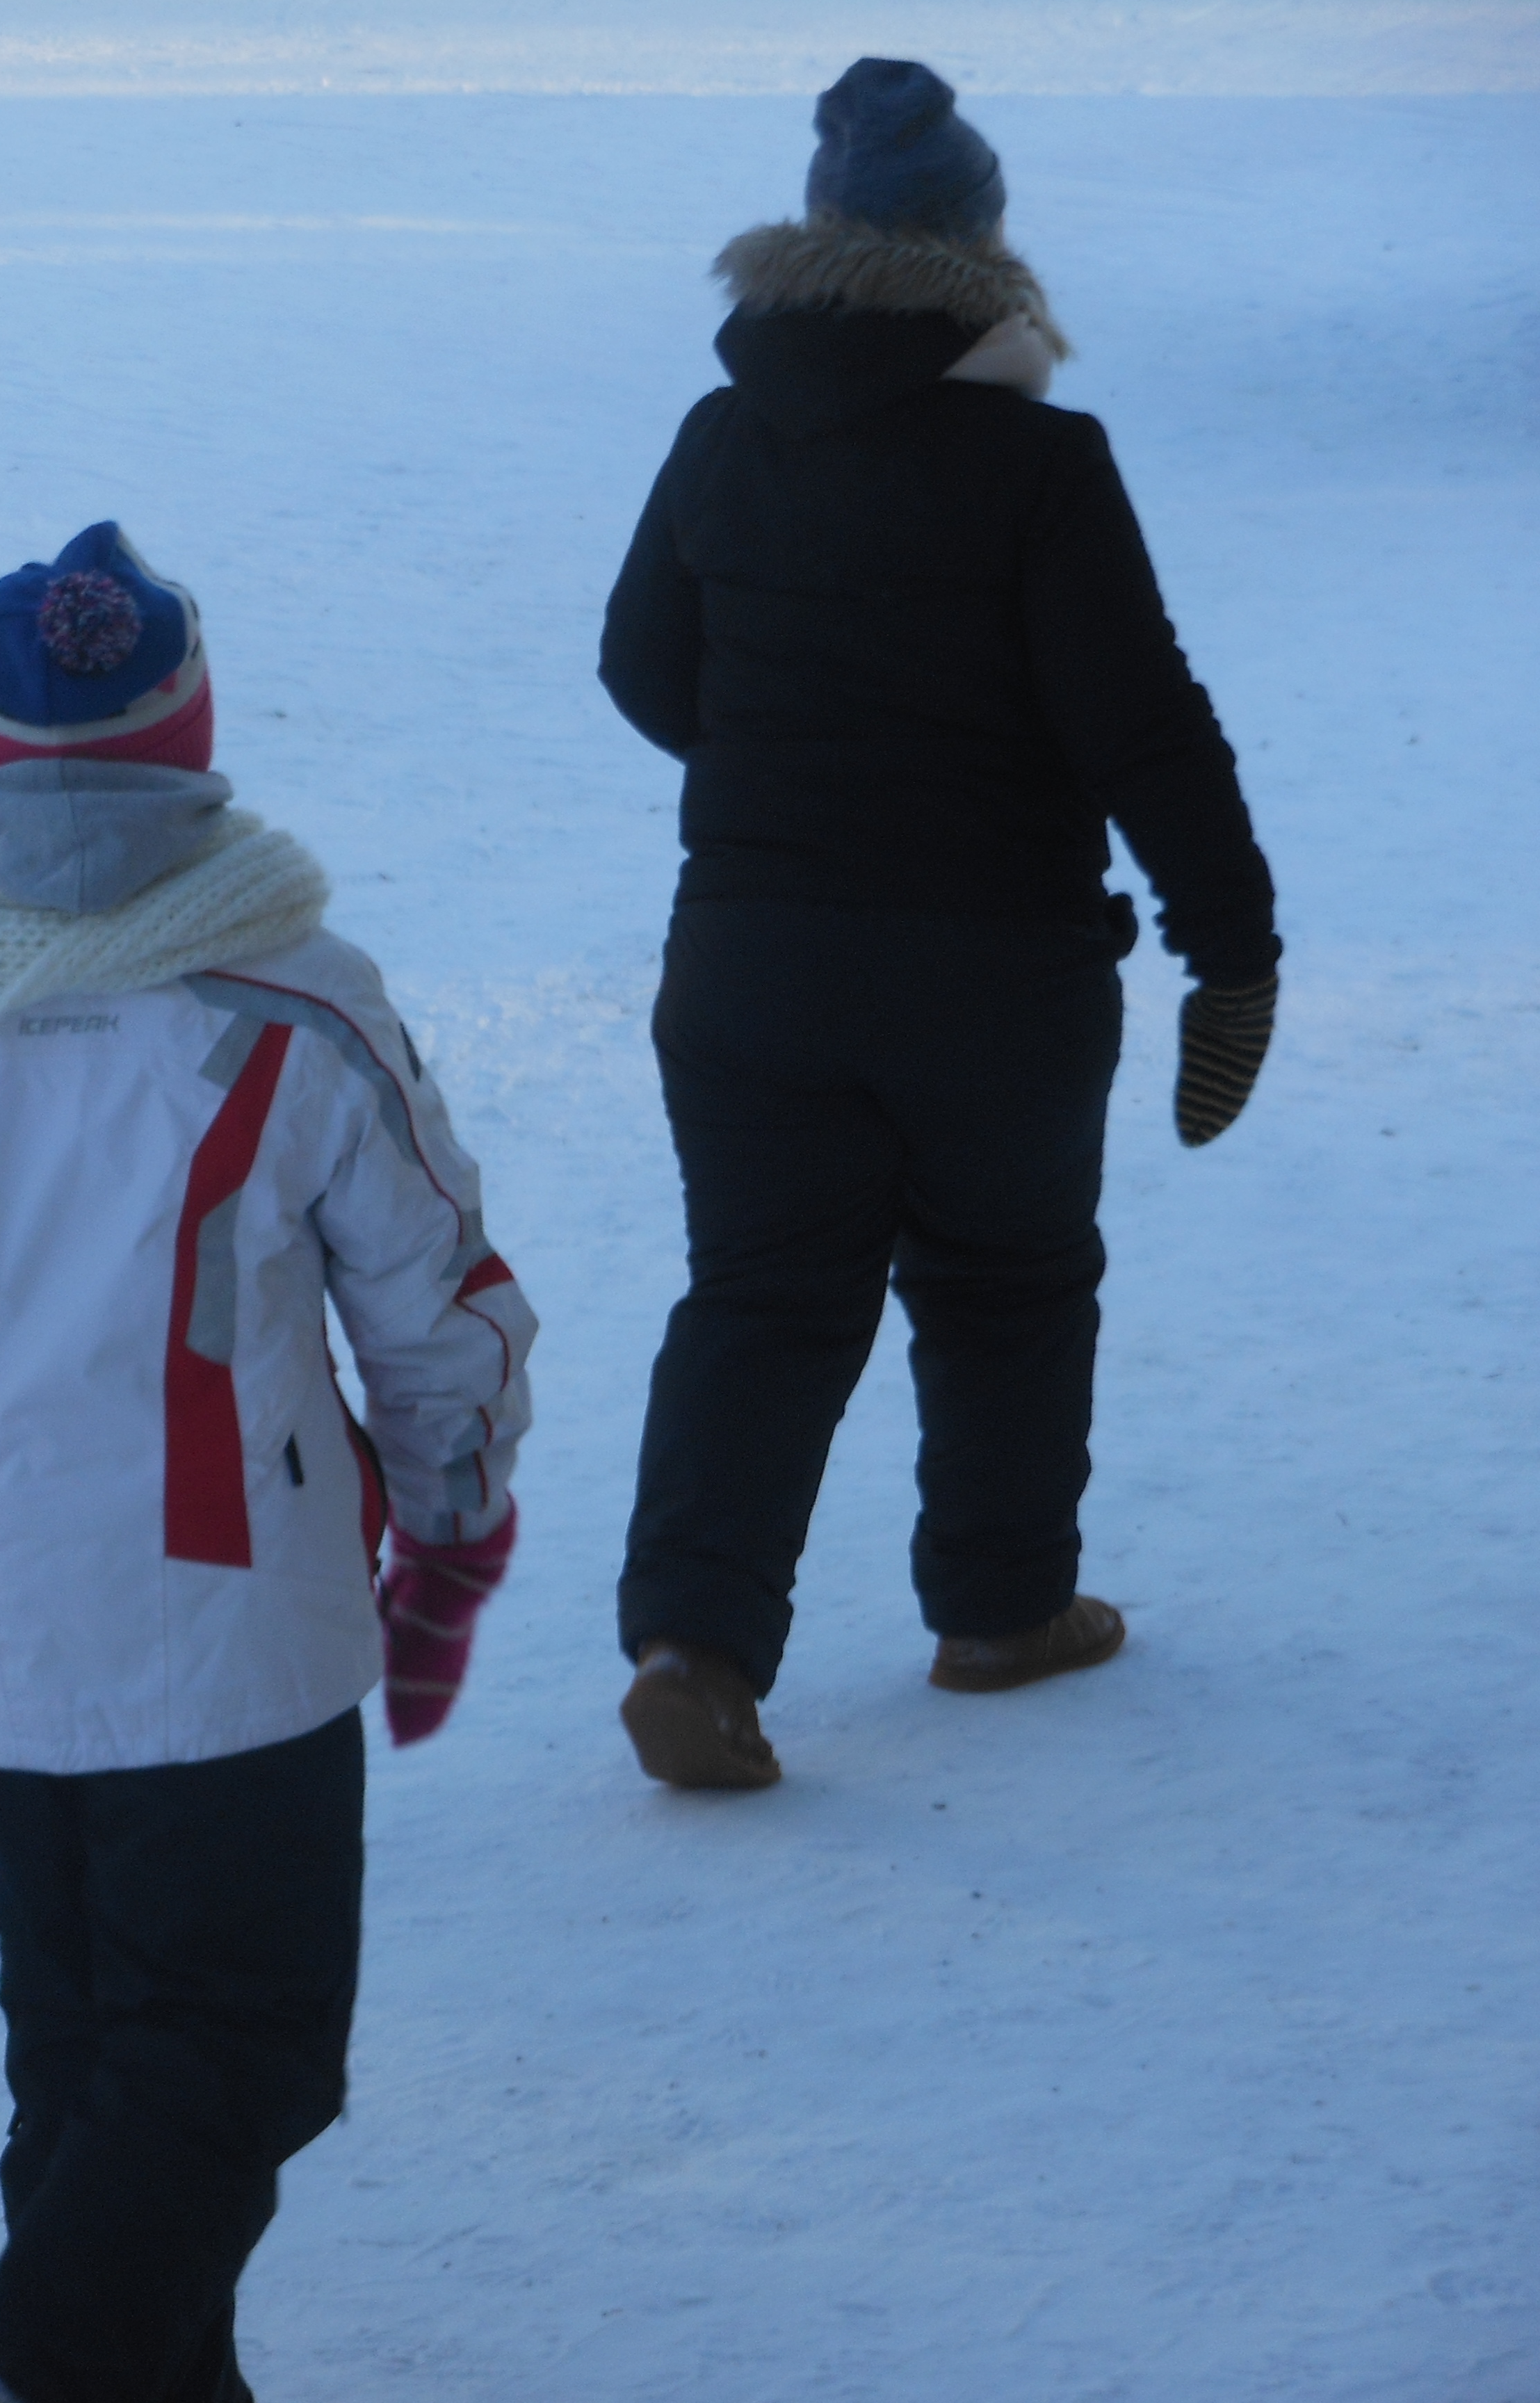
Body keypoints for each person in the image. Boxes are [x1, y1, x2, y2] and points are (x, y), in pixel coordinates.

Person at [0, 524, 536, 2403]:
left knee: (89, 2065)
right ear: (191, 742)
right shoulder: (299, 994)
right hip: (241, 1641)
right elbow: (436, 1312)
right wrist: (449, 1528)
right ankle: (33, 2365)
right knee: (243, 2052)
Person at [598, 58, 1283, 1790]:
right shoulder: (1040, 462)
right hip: (996, 965)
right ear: (982, 257)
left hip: (750, 958)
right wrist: (1233, 944)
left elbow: (641, 667)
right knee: (1010, 1280)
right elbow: (1143, 723)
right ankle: (1002, 1612)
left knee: (762, 1296)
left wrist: (786, 777)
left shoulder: (721, 437)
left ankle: (693, 1650)